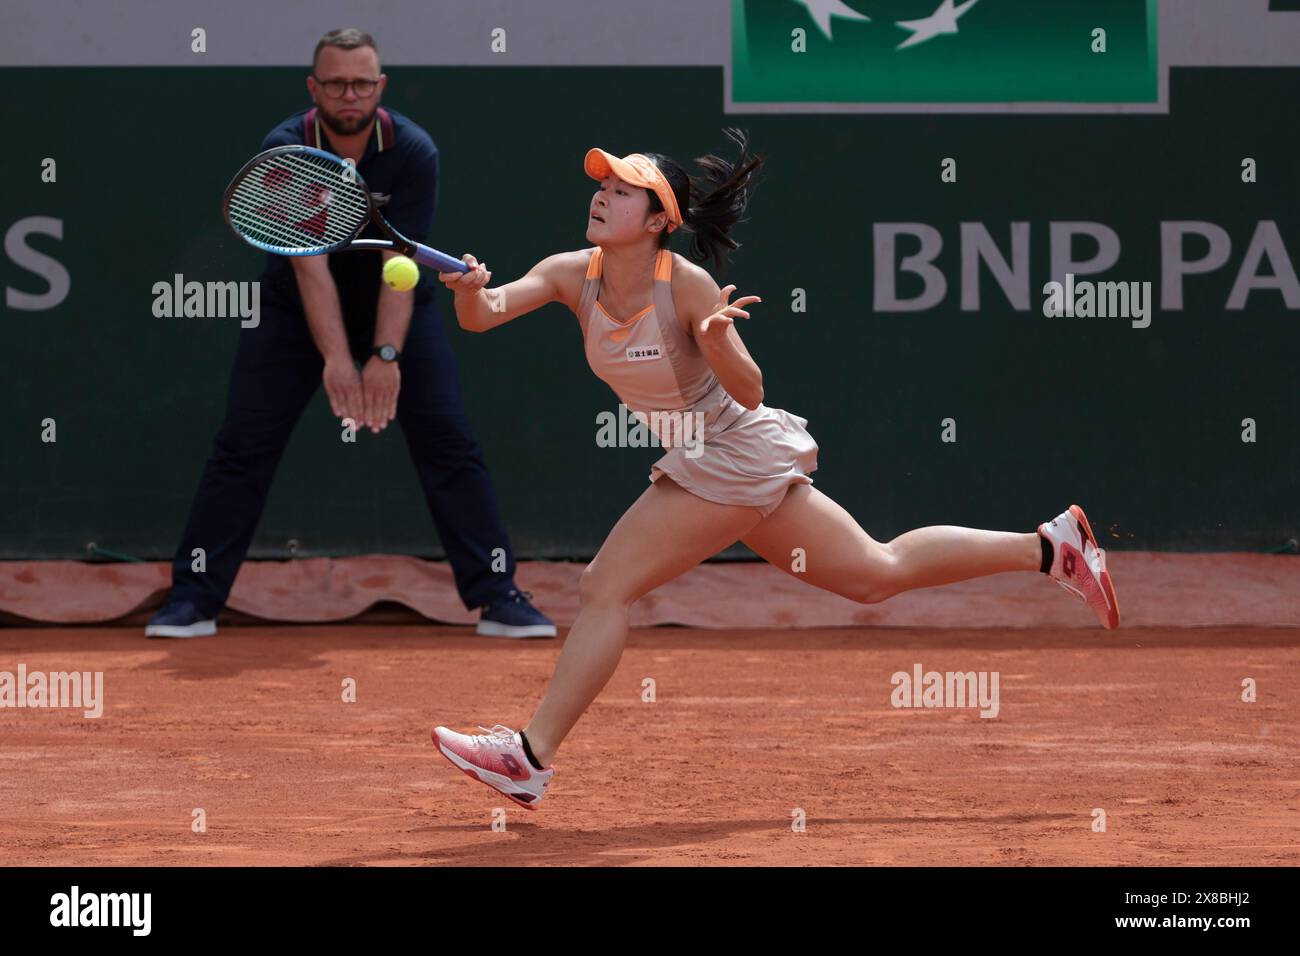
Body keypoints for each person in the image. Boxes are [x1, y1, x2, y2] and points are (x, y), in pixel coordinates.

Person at [431, 129, 1119, 807]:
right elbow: (484, 316)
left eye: (622, 191)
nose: (602, 198)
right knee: (874, 574)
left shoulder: (689, 285)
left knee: (606, 585)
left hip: (731, 451)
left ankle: (528, 755)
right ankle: (1051, 547)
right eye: (602, 187)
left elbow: (751, 389)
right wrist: (469, 287)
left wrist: (718, 341)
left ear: (659, 220)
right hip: (730, 462)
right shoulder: (568, 273)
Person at [146, 28, 553, 640]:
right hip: (292, 314)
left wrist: (386, 354)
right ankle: (193, 601)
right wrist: (337, 358)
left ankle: (499, 595)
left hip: (397, 305)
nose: (349, 95)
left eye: (362, 83)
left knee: (450, 444)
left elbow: (402, 266)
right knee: (241, 449)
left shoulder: (413, 151)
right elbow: (307, 263)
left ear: (380, 87)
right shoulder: (284, 148)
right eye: (335, 83)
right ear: (314, 89)